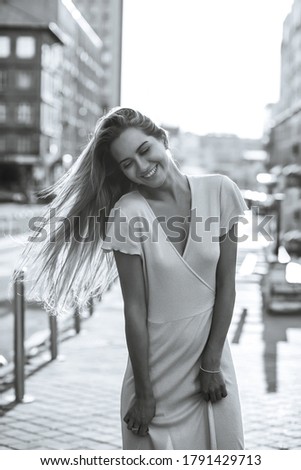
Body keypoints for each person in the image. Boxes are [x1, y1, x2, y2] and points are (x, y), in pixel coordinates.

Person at [13, 107, 248, 450]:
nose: (141, 167)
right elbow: (134, 310)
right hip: (155, 376)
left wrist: (212, 362)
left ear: (162, 139)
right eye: (127, 164)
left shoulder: (221, 191)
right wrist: (144, 392)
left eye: (144, 150)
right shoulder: (128, 212)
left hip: (212, 369)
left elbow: (228, 285)